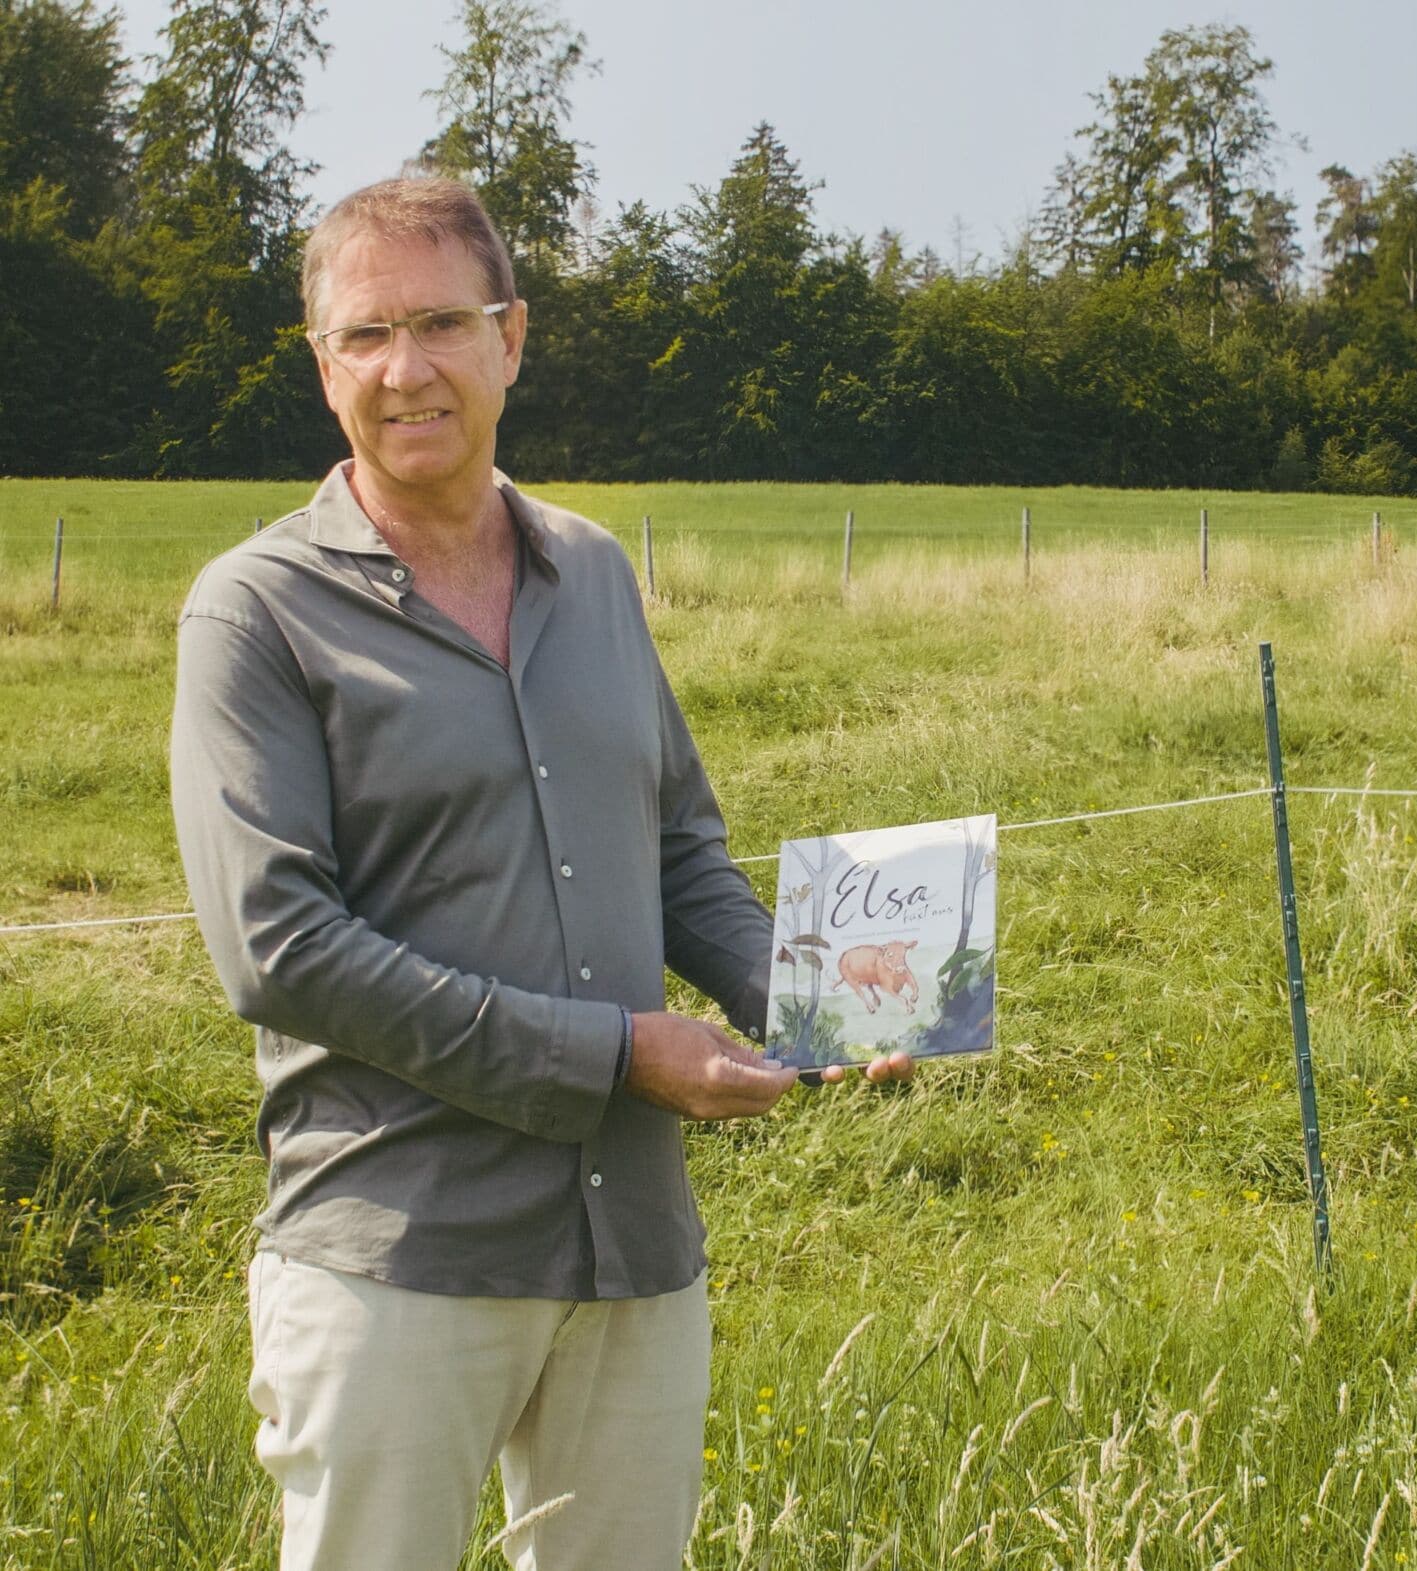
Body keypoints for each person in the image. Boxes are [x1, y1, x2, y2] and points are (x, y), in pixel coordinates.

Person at [169, 175, 912, 1571]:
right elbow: (279, 946)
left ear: (512, 337)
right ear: (322, 365)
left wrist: (830, 1003)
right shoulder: (254, 612)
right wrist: (617, 1055)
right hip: (398, 1251)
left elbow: (680, 843)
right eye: (367, 336)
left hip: (630, 1244)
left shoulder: (593, 569)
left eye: (443, 322)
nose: (409, 370)